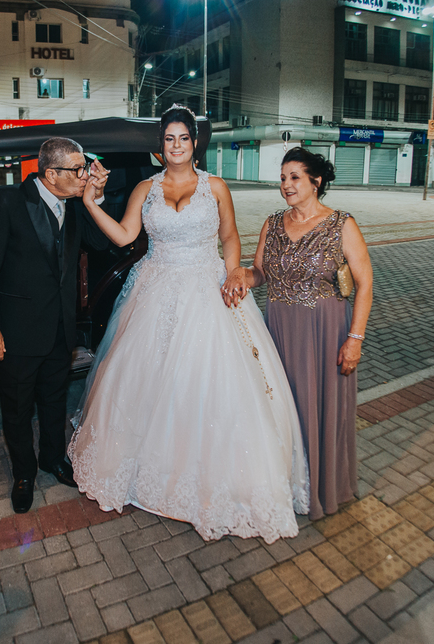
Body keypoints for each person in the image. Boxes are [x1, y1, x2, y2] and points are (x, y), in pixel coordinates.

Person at [68, 106, 309, 543]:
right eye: (169, 138)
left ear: (194, 143)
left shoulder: (215, 187)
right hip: (155, 290)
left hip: (207, 287)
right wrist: (89, 202)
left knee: (211, 381)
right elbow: (124, 236)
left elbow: (229, 236)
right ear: (160, 145)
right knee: (147, 380)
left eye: (183, 138)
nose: (176, 145)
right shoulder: (145, 188)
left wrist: (234, 273)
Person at [224, 149, 373, 520]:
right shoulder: (273, 224)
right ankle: (285, 487)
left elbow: (365, 284)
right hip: (279, 332)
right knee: (279, 407)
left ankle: (322, 489)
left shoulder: (341, 224)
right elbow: (261, 273)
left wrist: (355, 339)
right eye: (282, 178)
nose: (286, 185)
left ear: (315, 182)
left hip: (325, 333)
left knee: (321, 408)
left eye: (294, 177)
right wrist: (241, 275)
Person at [0, 138, 109, 514]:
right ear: (51, 174)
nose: (85, 175)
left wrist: (94, 198)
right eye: (78, 170)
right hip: (16, 331)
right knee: (17, 408)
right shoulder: (5, 201)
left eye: (85, 168)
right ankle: (24, 474)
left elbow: (100, 244)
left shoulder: (75, 204)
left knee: (53, 401)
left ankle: (52, 458)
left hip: (60, 328)